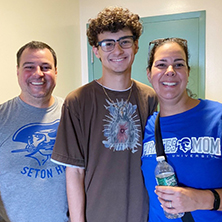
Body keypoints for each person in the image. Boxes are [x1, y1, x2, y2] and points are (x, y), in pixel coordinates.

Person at [51, 6, 158, 222]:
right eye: (108, 43)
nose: (117, 51)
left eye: (125, 41)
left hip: (144, 214)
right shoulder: (78, 101)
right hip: (97, 215)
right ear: (96, 50)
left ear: (136, 45)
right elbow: (74, 171)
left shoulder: (150, 97)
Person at [141, 37, 222, 221]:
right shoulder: (146, 127)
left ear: (187, 72)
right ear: (149, 73)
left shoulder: (217, 118)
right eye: (161, 64)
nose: (170, 71)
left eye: (178, 64)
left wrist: (201, 199)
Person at [0, 41, 68, 222]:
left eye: (45, 67)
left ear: (56, 71)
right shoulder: (1, 118)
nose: (38, 74)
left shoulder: (74, 114)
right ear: (18, 71)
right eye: (29, 67)